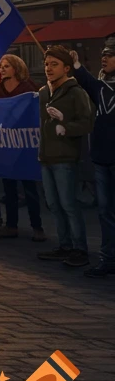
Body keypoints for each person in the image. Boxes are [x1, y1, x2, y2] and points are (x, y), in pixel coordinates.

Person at [33, 45, 94, 268]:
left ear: (67, 68)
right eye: (46, 64)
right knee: (53, 204)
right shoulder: (43, 92)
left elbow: (87, 122)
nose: (48, 68)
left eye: (54, 64)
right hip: (46, 156)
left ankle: (80, 249)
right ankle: (65, 245)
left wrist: (65, 126)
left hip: (66, 157)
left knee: (69, 204)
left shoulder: (76, 92)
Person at [0, 54, 43, 240]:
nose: (2, 69)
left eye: (6, 66)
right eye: (1, 66)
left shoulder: (28, 88)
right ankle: (11, 226)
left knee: (29, 188)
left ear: (16, 68)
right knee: (8, 188)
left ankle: (37, 227)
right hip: (6, 145)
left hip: (24, 144)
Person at [71, 42, 115, 277]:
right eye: (103, 55)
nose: (104, 58)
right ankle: (108, 259)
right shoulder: (100, 86)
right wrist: (75, 64)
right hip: (101, 158)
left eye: (110, 55)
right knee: (105, 211)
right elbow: (86, 80)